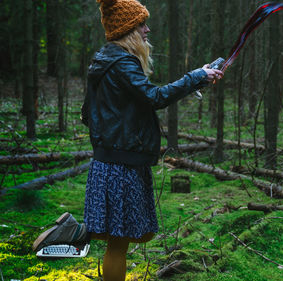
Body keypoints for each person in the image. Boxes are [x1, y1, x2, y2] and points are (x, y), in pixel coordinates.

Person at [32, 0, 223, 279]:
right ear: (128, 30)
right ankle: (76, 232)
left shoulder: (105, 60)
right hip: (121, 165)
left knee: (132, 235)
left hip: (113, 161)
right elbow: (154, 97)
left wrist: (197, 79)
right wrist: (194, 76)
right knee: (119, 242)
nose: (147, 29)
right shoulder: (121, 62)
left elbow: (90, 113)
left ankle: (77, 231)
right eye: (141, 24)